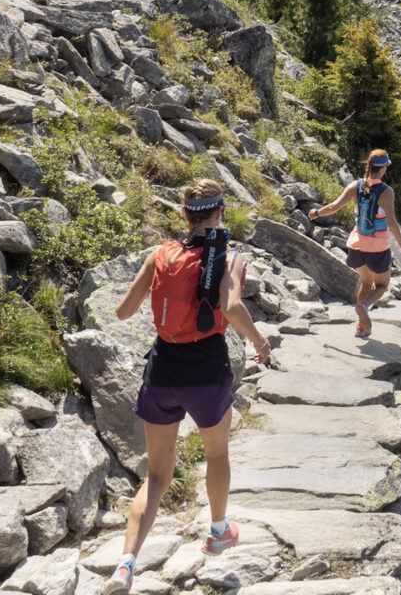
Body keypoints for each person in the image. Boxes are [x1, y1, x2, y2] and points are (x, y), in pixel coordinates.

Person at [104, 179, 272, 594]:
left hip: (162, 370)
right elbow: (231, 308)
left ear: (184, 214)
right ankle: (218, 531)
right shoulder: (228, 257)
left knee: (157, 475)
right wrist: (260, 341)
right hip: (207, 369)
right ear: (220, 213)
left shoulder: (160, 254)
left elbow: (124, 312)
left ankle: (125, 566)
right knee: (216, 452)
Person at [309, 149, 401, 338]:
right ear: (383, 168)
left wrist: (316, 213)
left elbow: (333, 207)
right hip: (378, 248)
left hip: (355, 246)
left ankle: (362, 326)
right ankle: (364, 306)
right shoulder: (386, 191)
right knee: (381, 286)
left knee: (366, 282)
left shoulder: (355, 186)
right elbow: (391, 221)